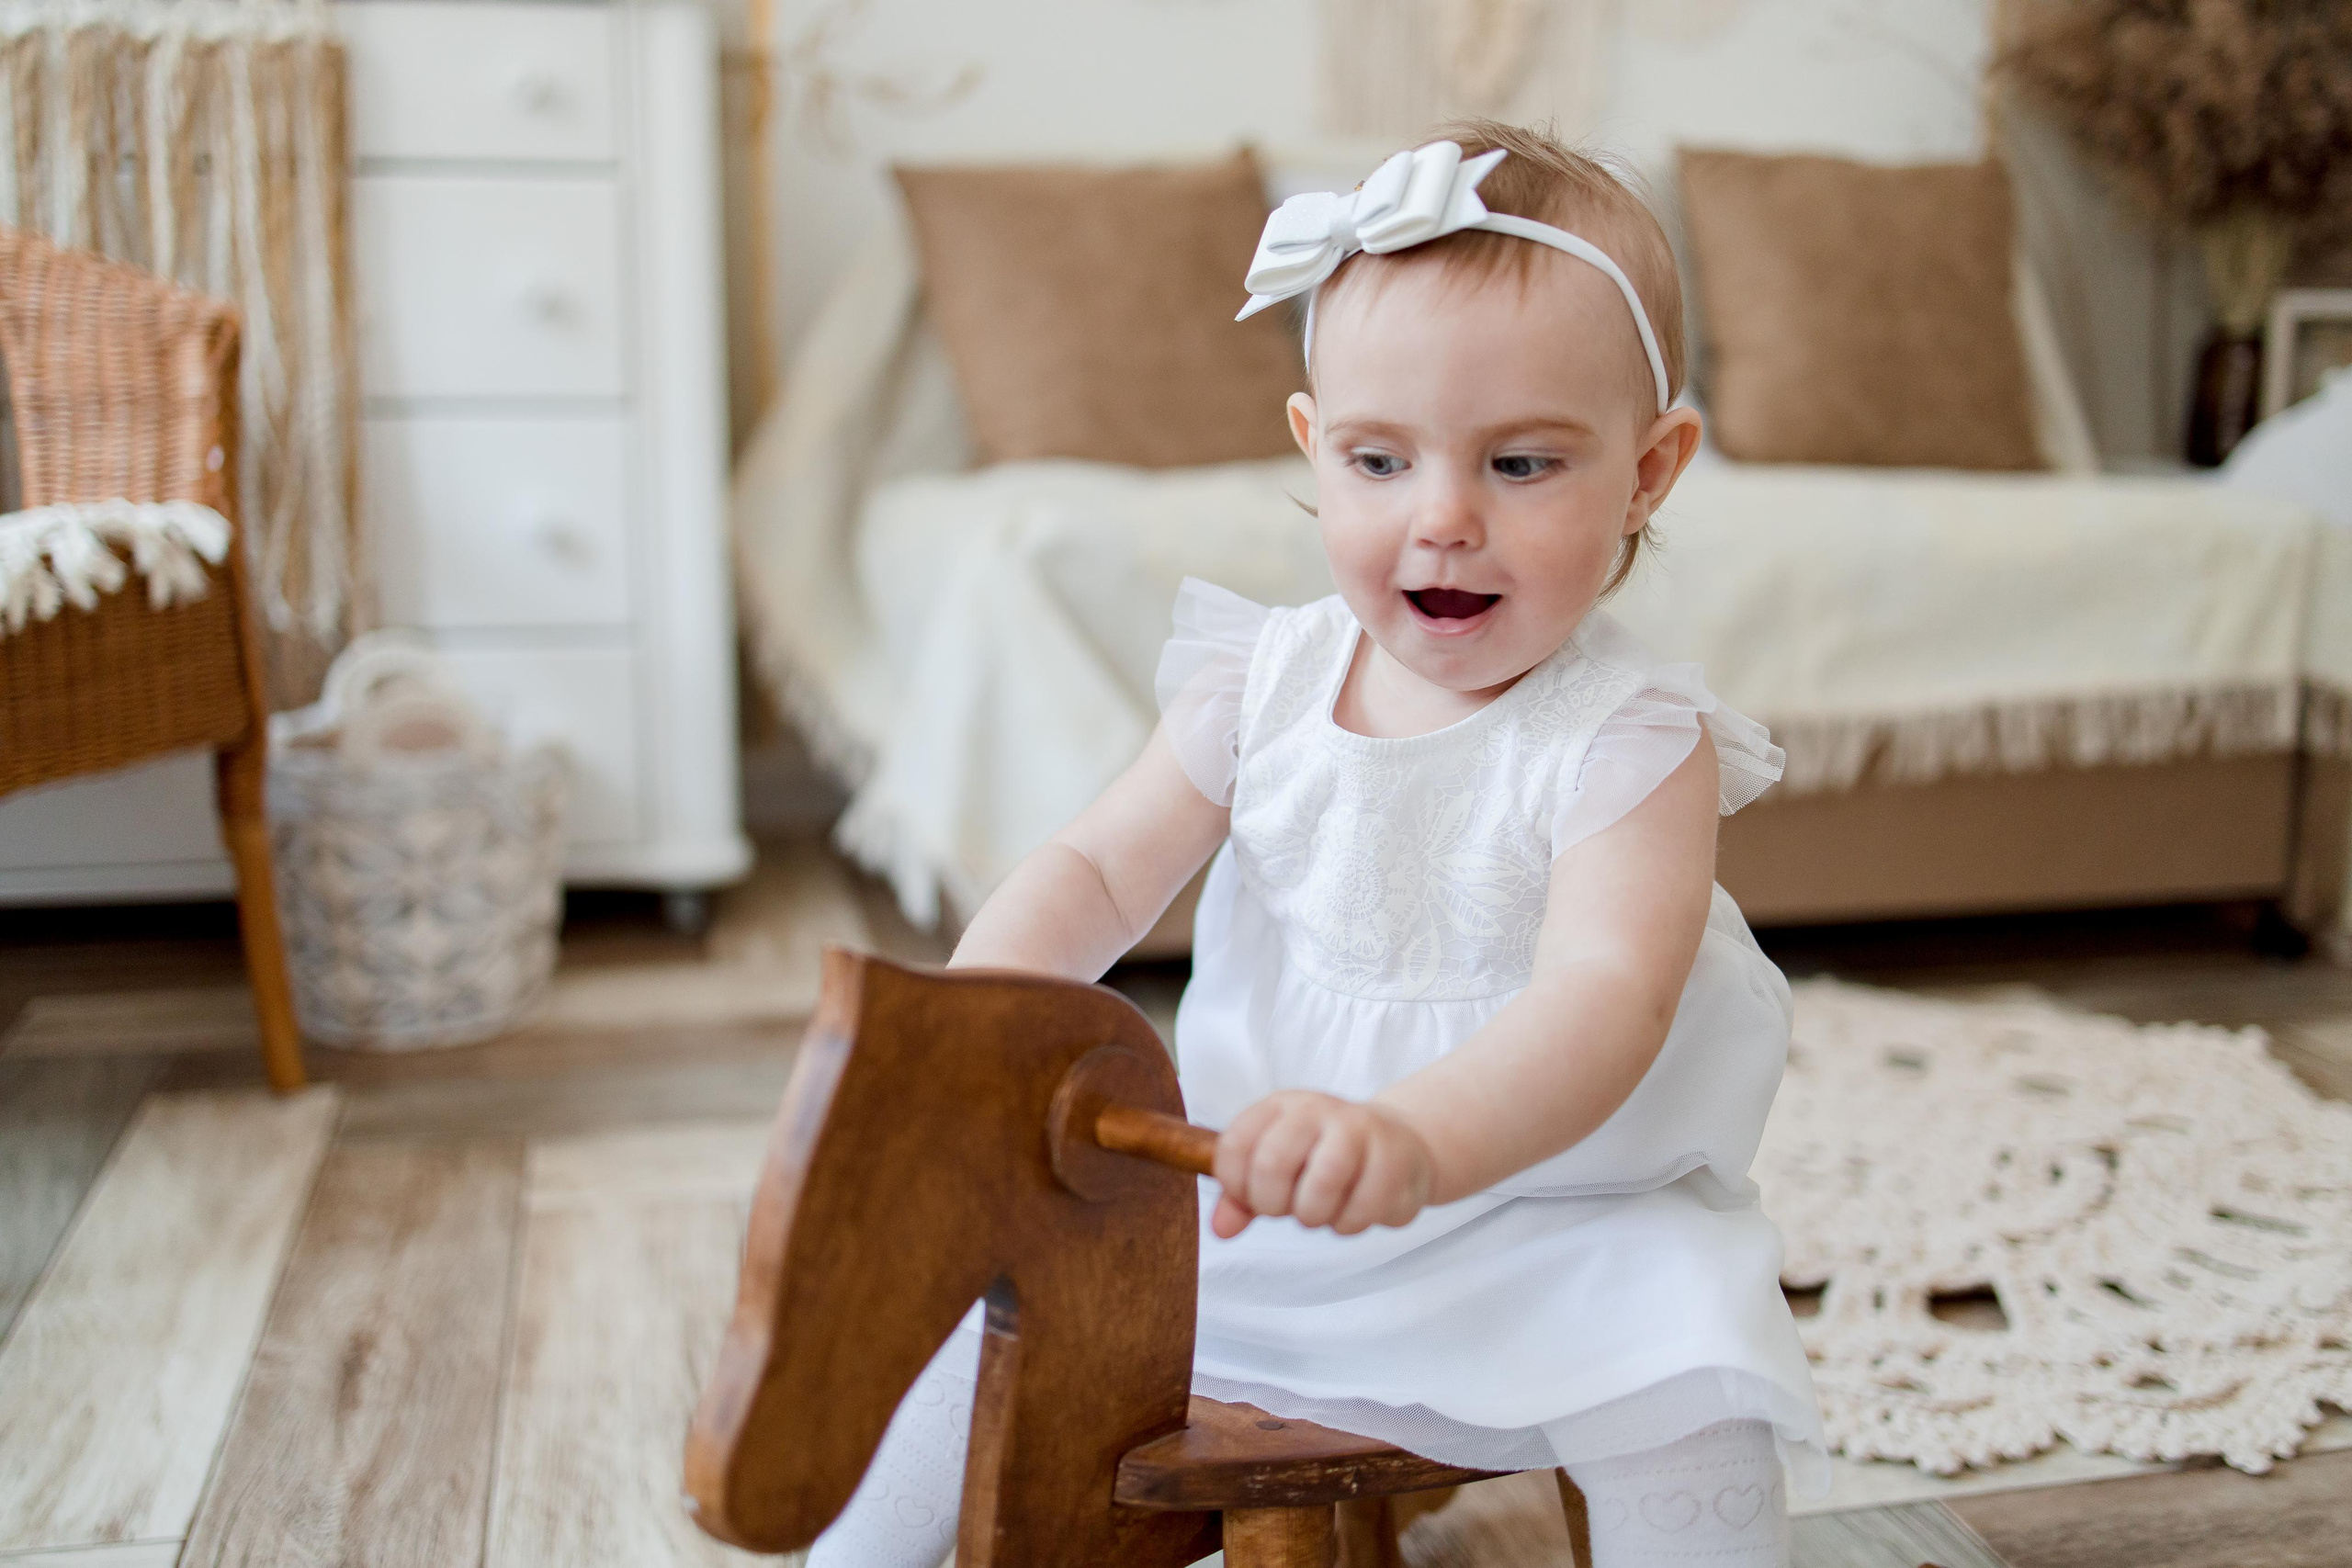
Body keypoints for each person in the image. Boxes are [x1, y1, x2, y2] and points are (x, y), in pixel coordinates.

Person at [811, 118, 1824, 1568]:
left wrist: (1416, 1137)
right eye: (1380, 459)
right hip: (1262, 1208)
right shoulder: (1263, 682)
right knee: (991, 1326)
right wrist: (980, 1024)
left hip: (1564, 1220)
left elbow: (1606, 1000)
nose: (1445, 519)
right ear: (1314, 447)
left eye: (1525, 463)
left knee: (1690, 1387)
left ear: (1652, 472)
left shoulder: (1631, 741)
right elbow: (1099, 870)